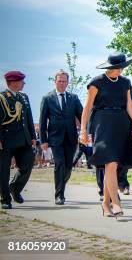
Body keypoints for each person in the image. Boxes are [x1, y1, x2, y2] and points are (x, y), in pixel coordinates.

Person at [80, 52, 132, 217]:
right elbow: (87, 108)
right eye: (118, 68)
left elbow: (130, 106)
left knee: (114, 165)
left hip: (121, 123)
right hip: (102, 123)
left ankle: (105, 204)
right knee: (110, 162)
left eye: (122, 67)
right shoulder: (96, 82)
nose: (121, 71)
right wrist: (83, 130)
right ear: (110, 67)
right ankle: (116, 203)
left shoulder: (125, 83)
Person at [39, 69, 84, 205]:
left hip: (71, 138)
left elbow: (82, 116)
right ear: (55, 82)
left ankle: (61, 186)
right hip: (55, 138)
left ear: (68, 82)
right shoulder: (47, 98)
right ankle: (59, 195)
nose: (62, 83)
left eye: (64, 81)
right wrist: (43, 140)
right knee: (59, 164)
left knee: (68, 166)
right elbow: (42, 121)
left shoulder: (74, 98)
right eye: (59, 81)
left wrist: (86, 132)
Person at [0, 71, 36, 210]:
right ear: (14, 82)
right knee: (3, 171)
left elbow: (28, 118)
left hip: (24, 139)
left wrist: (33, 136)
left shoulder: (23, 97)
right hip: (6, 140)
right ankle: (5, 199)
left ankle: (14, 188)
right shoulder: (2, 98)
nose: (24, 84)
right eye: (22, 81)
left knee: (27, 163)